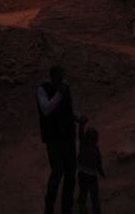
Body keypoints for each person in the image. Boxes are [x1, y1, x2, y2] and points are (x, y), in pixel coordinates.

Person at [37, 66, 86, 214]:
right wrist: (59, 93)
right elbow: (46, 109)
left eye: (62, 76)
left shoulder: (63, 88)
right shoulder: (43, 89)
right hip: (54, 138)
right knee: (57, 172)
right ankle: (49, 208)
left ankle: (67, 208)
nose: (62, 80)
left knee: (70, 173)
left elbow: (67, 109)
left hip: (68, 136)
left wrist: (78, 117)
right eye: (59, 77)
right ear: (52, 77)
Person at [77, 119, 105, 214]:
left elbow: (98, 163)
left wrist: (81, 125)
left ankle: (83, 209)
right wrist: (101, 172)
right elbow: (98, 163)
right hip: (90, 175)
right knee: (91, 196)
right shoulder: (91, 147)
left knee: (85, 194)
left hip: (84, 175)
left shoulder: (86, 145)